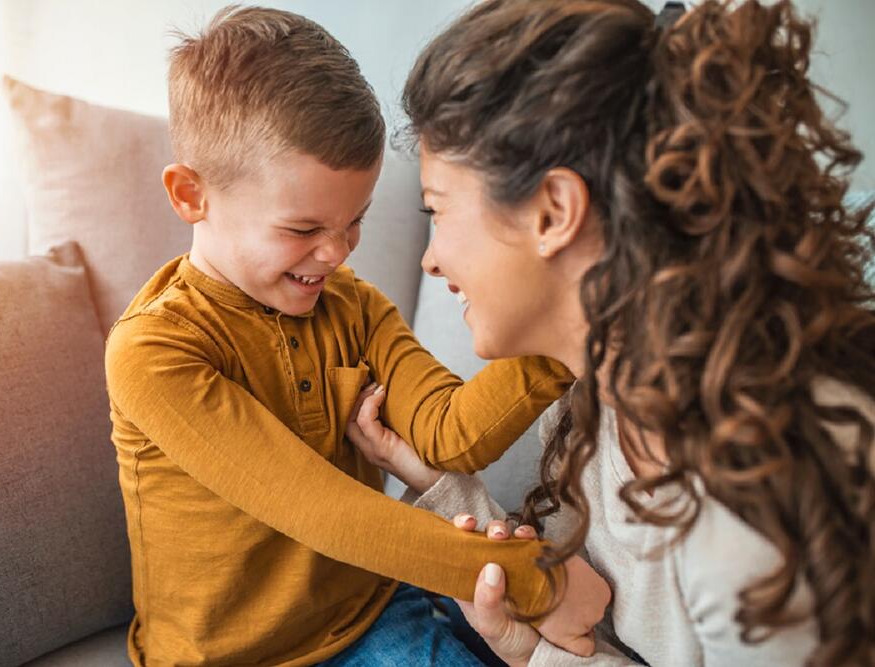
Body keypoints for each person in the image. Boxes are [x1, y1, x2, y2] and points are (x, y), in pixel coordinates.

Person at [347, 0, 875, 665]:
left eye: (440, 211)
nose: (431, 257)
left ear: (554, 212)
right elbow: (588, 617)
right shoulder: (596, 401)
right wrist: (524, 639)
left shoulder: (753, 512)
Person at [102, 6, 609, 666]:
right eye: (304, 228)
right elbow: (325, 511)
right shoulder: (154, 351)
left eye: (355, 221)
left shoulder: (350, 305)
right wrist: (536, 578)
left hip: (374, 605)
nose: (337, 252)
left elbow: (447, 429)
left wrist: (569, 331)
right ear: (191, 195)